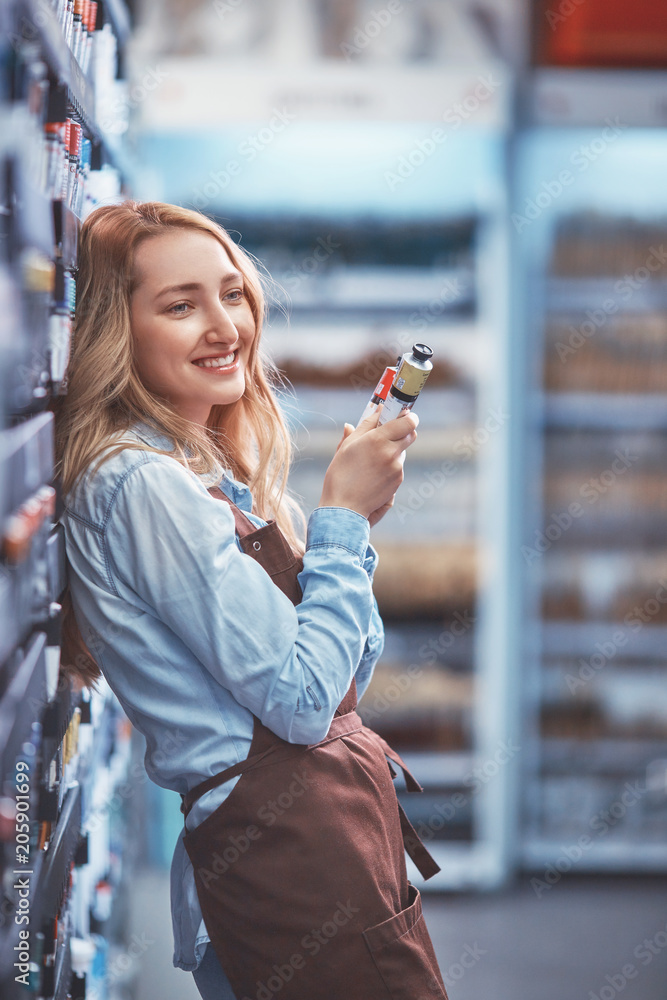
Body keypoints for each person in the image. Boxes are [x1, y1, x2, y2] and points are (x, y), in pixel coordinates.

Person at [55, 201, 448, 1000]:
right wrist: (337, 520)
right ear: (113, 330)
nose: (222, 324)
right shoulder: (140, 484)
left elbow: (344, 678)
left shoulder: (206, 475)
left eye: (232, 294)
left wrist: (353, 527)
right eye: (179, 304)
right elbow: (303, 705)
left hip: (323, 831)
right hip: (287, 848)